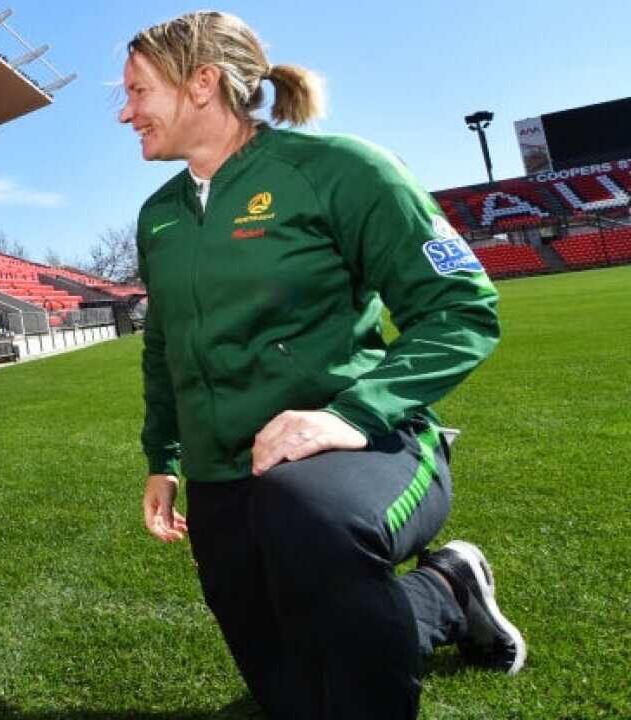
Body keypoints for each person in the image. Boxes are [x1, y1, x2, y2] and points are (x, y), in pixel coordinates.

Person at [120, 11, 525, 719]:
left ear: (202, 84)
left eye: (138, 91)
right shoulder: (159, 215)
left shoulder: (342, 170)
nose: (126, 113)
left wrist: (348, 415)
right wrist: (164, 456)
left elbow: (461, 311)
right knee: (299, 696)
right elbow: (163, 349)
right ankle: (447, 591)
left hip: (365, 451)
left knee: (304, 515)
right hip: (224, 478)